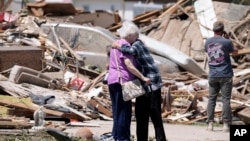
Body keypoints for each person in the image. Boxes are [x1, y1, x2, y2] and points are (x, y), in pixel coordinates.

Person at [112, 21, 167, 141]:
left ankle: (161, 138)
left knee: (155, 114)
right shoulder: (134, 43)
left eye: (127, 37)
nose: (125, 39)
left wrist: (118, 46)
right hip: (143, 83)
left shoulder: (137, 44)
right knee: (141, 114)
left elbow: (131, 52)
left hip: (152, 83)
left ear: (133, 35)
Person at [107, 21, 151, 141]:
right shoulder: (125, 45)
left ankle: (116, 135)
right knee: (124, 112)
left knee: (117, 111)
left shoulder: (115, 44)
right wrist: (143, 77)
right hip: (123, 81)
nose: (137, 38)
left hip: (112, 80)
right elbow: (129, 65)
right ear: (130, 35)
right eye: (136, 36)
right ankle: (123, 138)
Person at [205, 21, 238, 132]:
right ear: (222, 30)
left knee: (211, 99)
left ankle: (210, 124)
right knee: (226, 100)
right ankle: (225, 125)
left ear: (213, 30)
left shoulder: (207, 42)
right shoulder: (227, 42)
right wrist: (229, 39)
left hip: (213, 74)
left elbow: (208, 53)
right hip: (225, 74)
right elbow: (235, 53)